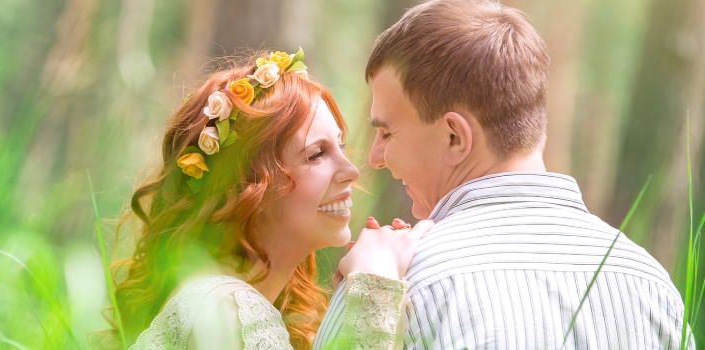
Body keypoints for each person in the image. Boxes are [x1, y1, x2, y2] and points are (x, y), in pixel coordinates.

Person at [314, 0, 693, 349]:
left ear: (454, 137)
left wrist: (365, 300)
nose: (376, 157)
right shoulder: (650, 282)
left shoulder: (395, 285)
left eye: (386, 133)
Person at [96, 49, 433, 350]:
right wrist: (376, 284)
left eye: (341, 147)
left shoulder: (224, 301)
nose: (351, 171)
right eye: (317, 154)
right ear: (245, 186)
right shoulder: (228, 309)